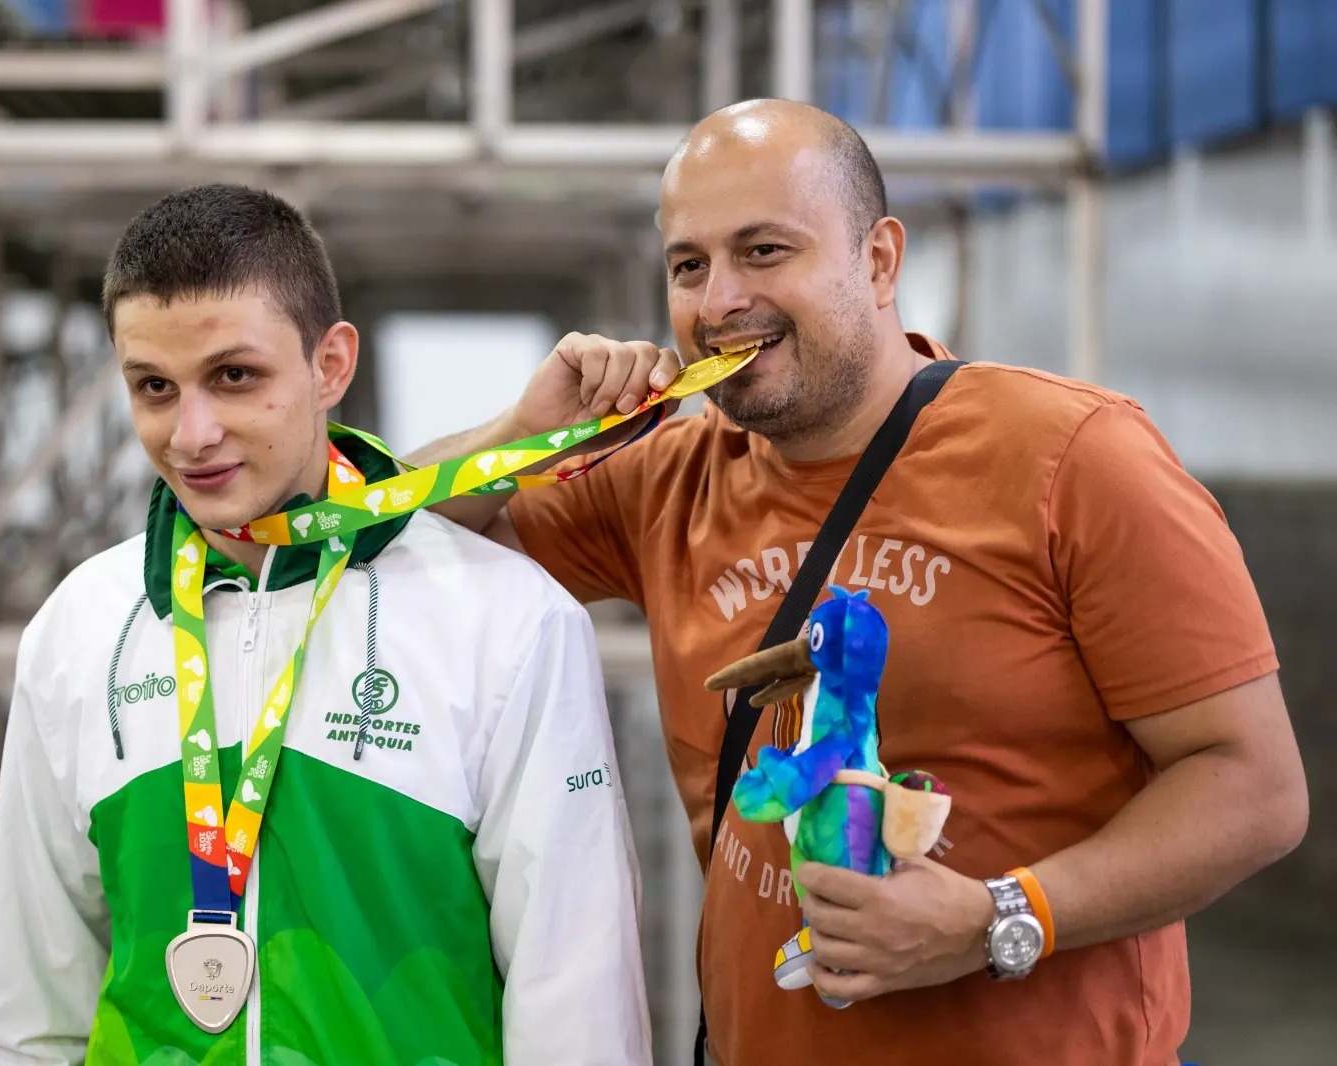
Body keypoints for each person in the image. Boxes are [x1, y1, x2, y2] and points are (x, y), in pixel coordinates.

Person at [410, 99, 1310, 1066]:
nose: (718, 303)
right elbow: (389, 543)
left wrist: (997, 917)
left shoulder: (1074, 460)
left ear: (879, 261)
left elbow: (1252, 786)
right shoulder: (665, 474)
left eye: (765, 251)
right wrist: (521, 431)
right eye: (689, 264)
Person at [0, 183, 652, 1066]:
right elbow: (29, 1016)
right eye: (154, 388)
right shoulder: (78, 630)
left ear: (330, 365)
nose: (192, 434)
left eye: (234, 376)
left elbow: (579, 1009)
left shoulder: (508, 622)